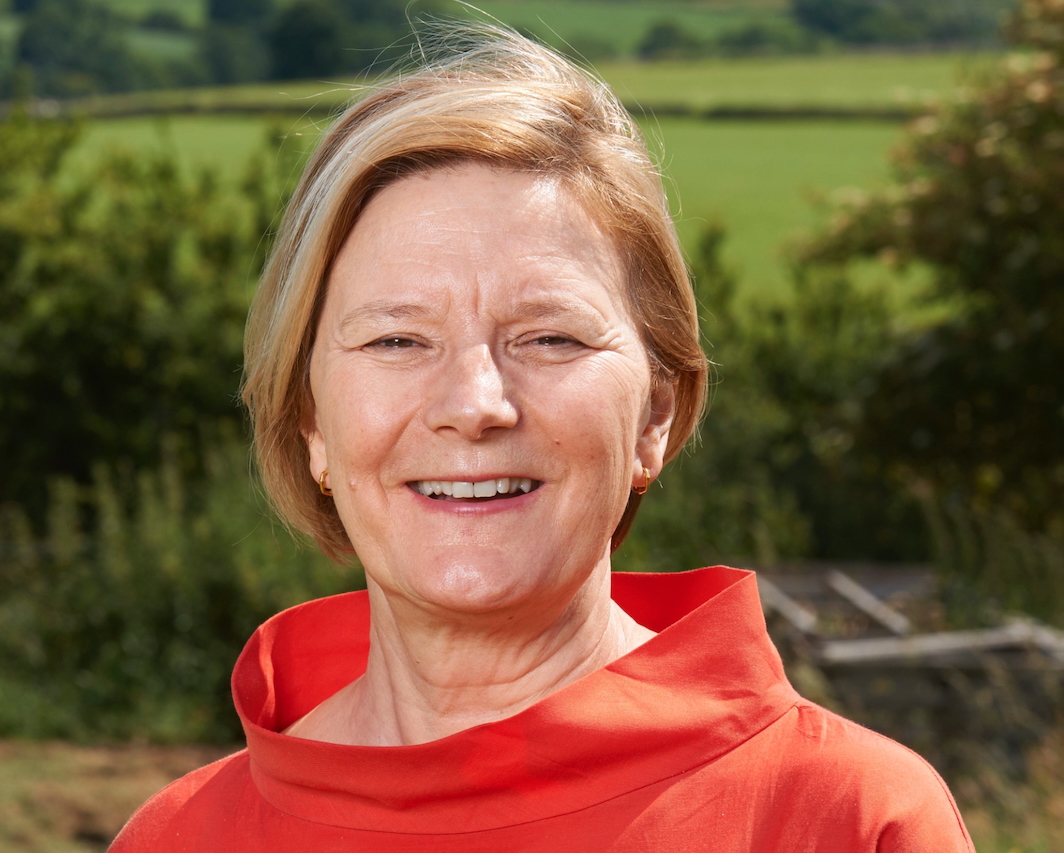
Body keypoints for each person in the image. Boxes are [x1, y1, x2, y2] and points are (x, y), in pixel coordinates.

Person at [110, 27, 974, 852]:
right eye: (397, 340)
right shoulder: (178, 839)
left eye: (550, 337)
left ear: (655, 415)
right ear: (311, 424)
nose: (475, 403)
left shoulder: (848, 820)